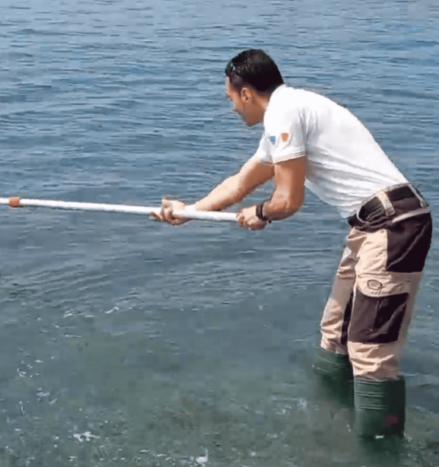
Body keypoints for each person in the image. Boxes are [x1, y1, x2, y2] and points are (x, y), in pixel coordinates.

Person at [152, 49, 432, 440]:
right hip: (370, 226)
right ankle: (331, 421)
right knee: (335, 334)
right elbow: (241, 182)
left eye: (230, 97)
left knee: (370, 350)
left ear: (246, 93)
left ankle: (380, 448)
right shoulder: (285, 114)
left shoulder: (285, 113)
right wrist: (189, 212)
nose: (231, 107)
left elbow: (287, 201)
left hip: (393, 226)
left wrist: (262, 213)